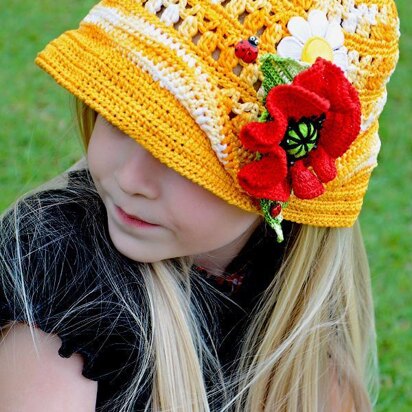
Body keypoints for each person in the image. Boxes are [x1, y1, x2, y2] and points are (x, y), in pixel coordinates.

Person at [0, 0, 400, 411]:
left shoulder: (291, 303)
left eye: (183, 157)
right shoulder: (56, 262)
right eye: (119, 118)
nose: (130, 179)